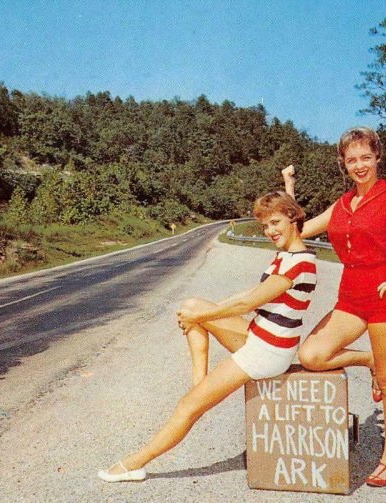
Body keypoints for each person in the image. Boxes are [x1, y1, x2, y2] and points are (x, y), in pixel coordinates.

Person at [98, 191, 317, 482]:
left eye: (275, 222)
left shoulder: (299, 262)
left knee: (188, 406)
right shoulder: (286, 256)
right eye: (265, 225)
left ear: (293, 219)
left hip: (268, 351)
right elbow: (246, 296)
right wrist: (204, 312)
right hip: (261, 336)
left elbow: (246, 304)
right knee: (191, 305)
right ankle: (199, 384)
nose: (270, 231)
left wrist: (203, 318)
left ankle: (133, 464)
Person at [282, 127, 386, 488]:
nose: (359, 165)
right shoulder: (341, 204)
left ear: (377, 158)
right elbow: (297, 230)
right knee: (312, 355)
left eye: (365, 157)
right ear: (343, 164)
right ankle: (369, 359)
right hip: (350, 297)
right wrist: (290, 189)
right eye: (351, 159)